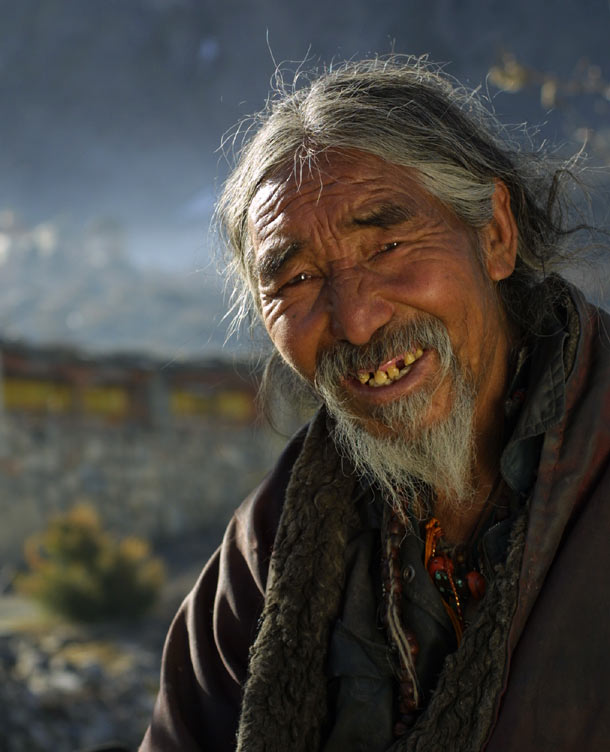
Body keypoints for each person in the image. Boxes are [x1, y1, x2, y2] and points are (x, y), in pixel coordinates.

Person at [140, 57, 610, 751]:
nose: (356, 321)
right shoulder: (268, 546)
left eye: (388, 244)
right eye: (296, 278)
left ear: (496, 234)